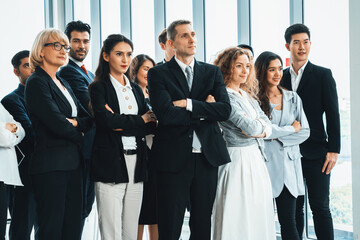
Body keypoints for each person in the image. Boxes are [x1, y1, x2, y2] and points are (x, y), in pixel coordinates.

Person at [148, 20, 231, 240]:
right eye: (185, 35)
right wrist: (206, 108)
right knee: (170, 224)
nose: (192, 39)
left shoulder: (212, 72)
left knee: (203, 223)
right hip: (172, 159)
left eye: (193, 34)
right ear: (171, 43)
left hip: (206, 158)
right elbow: (166, 115)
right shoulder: (158, 74)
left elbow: (224, 110)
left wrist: (188, 103)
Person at [25, 28, 92, 240]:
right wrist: (78, 132)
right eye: (56, 45)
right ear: (41, 51)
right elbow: (55, 124)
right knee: (51, 229)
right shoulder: (36, 82)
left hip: (73, 164)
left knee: (72, 228)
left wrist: (75, 123)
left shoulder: (63, 83)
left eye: (64, 46)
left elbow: (87, 119)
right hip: (51, 167)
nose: (63, 50)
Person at [89, 34, 156, 240]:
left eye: (128, 54)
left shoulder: (136, 89)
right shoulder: (98, 87)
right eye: (119, 54)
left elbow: (150, 124)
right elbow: (106, 123)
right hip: (110, 162)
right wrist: (138, 120)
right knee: (111, 230)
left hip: (137, 162)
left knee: (130, 227)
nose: (125, 59)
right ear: (106, 56)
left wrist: (121, 122)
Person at [281, 24, 341, 240]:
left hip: (318, 153)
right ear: (287, 45)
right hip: (288, 153)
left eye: (305, 42)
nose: (301, 47)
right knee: (294, 209)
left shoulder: (323, 75)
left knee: (320, 208)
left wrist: (333, 150)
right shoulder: (280, 77)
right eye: (296, 42)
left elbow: (333, 115)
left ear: (310, 44)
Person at [211, 47, 275, 240]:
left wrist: (259, 127)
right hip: (237, 160)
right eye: (239, 66)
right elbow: (251, 128)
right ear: (227, 67)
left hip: (255, 158)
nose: (245, 70)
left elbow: (267, 125)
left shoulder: (246, 96)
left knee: (256, 211)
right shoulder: (225, 97)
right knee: (238, 212)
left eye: (248, 66)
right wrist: (259, 127)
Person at [255, 51, 310, 240]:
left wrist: (274, 135)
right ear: (262, 71)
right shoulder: (254, 100)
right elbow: (258, 131)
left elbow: (304, 131)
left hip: (288, 168)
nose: (277, 73)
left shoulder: (293, 98)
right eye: (272, 69)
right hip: (263, 166)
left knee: (289, 221)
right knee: (262, 221)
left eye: (279, 68)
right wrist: (289, 130)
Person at [58, 20, 95, 232]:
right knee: (77, 210)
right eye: (76, 41)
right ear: (67, 42)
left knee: (84, 208)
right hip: (81, 150)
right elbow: (91, 108)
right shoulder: (68, 72)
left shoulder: (88, 74)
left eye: (86, 41)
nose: (82, 46)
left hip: (92, 149)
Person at [1, 50, 38, 240]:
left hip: (51, 168)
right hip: (26, 172)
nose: (32, 69)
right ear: (16, 72)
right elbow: (29, 133)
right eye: (26, 65)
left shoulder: (47, 95)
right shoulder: (11, 100)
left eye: (34, 64)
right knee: (22, 226)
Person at [128, 54, 159, 240]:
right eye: (145, 68)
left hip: (156, 153)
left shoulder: (155, 93)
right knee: (139, 210)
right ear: (136, 70)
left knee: (156, 208)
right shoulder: (131, 94)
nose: (149, 73)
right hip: (140, 154)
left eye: (151, 69)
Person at [0, 104, 25, 240]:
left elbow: (21, 130)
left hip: (4, 177)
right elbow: (3, 138)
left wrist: (12, 129)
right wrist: (8, 130)